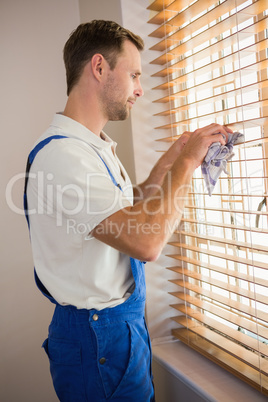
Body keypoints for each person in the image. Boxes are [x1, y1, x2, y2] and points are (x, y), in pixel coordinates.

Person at [24, 20, 232, 401]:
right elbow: (146, 241)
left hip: (115, 331)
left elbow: (125, 214)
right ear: (99, 67)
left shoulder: (92, 147)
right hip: (97, 340)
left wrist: (169, 163)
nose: (139, 89)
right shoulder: (65, 156)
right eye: (134, 74)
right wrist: (187, 163)